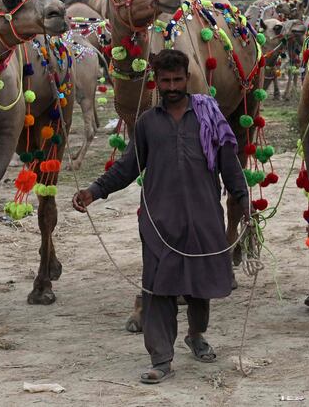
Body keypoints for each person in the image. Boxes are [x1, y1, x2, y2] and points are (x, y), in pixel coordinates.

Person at [72, 49, 250, 384]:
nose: (171, 86)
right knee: (158, 289)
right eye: (165, 81)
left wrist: (244, 199)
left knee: (200, 285)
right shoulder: (147, 123)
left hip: (203, 214)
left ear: (187, 78)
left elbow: (230, 163)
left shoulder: (209, 117)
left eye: (177, 80)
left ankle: (196, 335)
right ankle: (161, 359)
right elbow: (126, 168)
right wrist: (94, 192)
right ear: (156, 81)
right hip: (159, 220)